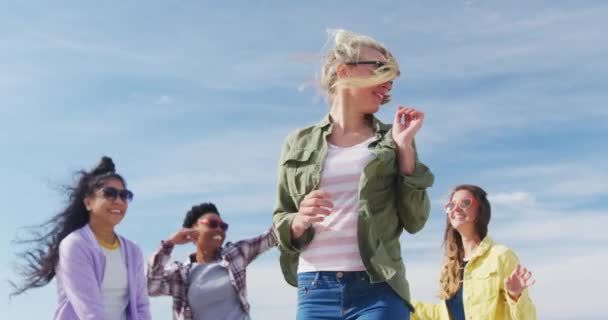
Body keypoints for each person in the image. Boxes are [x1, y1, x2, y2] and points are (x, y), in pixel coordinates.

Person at [272, 29, 434, 319]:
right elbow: (281, 217)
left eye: (391, 78)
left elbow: (416, 220)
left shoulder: (393, 138)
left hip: (379, 288)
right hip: (315, 288)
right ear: (344, 71)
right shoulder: (297, 142)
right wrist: (298, 220)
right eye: (380, 70)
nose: (387, 84)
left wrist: (405, 149)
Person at [10, 156, 151, 320]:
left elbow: (142, 307)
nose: (118, 201)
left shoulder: (133, 251)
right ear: (88, 203)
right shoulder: (75, 245)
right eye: (109, 194)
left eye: (124, 195)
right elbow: (90, 312)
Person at [411, 184, 537, 320]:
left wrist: (515, 296)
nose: (456, 209)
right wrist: (399, 301)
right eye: (451, 206)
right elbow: (441, 314)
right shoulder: (450, 265)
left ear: (480, 210)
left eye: (465, 203)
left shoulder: (501, 256)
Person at [147, 202, 276, 320]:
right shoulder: (180, 274)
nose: (219, 229)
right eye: (212, 224)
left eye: (223, 226)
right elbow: (151, 287)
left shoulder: (235, 254)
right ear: (193, 229)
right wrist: (169, 244)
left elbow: (272, 236)